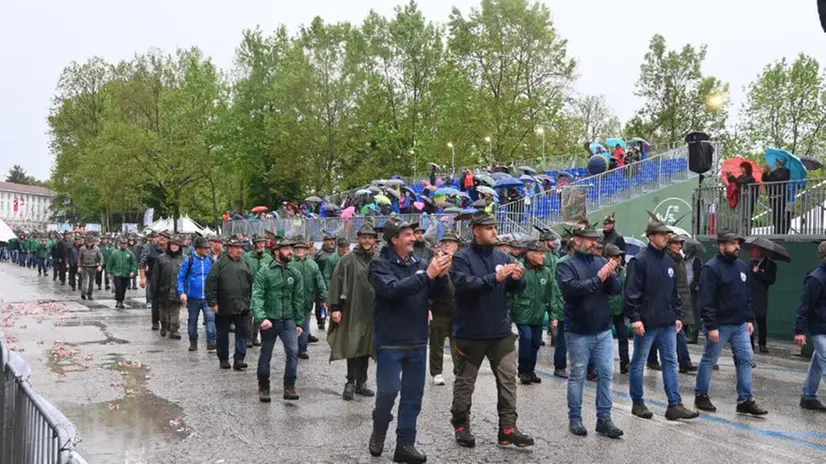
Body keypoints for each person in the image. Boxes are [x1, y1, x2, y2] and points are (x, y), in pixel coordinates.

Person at [368, 217, 451, 463]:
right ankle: (380, 427)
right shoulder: (379, 265)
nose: (413, 238)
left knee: (413, 395)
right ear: (394, 240)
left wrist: (443, 276)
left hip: (416, 339)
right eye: (407, 235)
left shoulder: (423, 263)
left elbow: (444, 297)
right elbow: (393, 291)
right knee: (388, 392)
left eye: (413, 234)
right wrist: (427, 275)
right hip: (390, 340)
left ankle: (405, 444)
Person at [449, 211, 534, 449]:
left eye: (495, 227)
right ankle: (461, 425)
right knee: (465, 383)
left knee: (508, 380)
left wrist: (518, 278)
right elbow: (465, 286)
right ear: (476, 230)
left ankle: (507, 429)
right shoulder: (462, 258)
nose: (495, 232)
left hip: (501, 331)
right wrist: (494, 278)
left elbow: (514, 289)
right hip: (470, 332)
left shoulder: (501, 255)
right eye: (489, 228)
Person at [624, 218, 699, 422]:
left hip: (667, 322)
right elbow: (631, 292)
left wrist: (677, 315)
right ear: (651, 236)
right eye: (662, 234)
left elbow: (673, 292)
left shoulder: (669, 261)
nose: (667, 237)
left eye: (667, 234)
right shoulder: (639, 261)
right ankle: (638, 402)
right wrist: (635, 318)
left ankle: (674, 404)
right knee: (639, 362)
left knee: (671, 362)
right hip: (646, 322)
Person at [556, 221, 623, 438]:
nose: (595, 243)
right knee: (578, 375)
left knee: (606, 373)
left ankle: (604, 419)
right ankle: (575, 418)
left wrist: (613, 274)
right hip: (578, 330)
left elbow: (615, 290)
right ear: (578, 240)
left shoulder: (600, 260)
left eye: (596, 239)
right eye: (590, 239)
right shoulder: (565, 264)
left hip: (602, 329)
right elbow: (572, 290)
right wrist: (600, 277)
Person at [694, 230, 768, 416]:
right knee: (710, 360)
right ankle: (701, 395)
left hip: (740, 324)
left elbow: (746, 294)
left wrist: (749, 318)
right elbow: (706, 300)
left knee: (746, 359)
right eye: (733, 243)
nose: (737, 247)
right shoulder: (711, 268)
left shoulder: (741, 266)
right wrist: (711, 326)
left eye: (738, 243)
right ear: (722, 246)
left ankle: (745, 399)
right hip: (720, 325)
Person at [327, 222, 378, 401]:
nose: (366, 240)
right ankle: (350, 381)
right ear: (359, 239)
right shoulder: (347, 260)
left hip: (371, 312)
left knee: (366, 347)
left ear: (374, 240)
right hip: (352, 309)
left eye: (370, 237)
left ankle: (361, 383)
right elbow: (336, 282)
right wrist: (335, 308)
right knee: (352, 345)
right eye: (364, 237)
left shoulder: (378, 259)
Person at [252, 238, 304, 402]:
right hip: (270, 320)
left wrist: (300, 321)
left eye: (291, 248)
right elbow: (257, 296)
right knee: (266, 354)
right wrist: (261, 318)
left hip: (288, 319)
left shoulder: (294, 273)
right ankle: (264, 387)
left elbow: (298, 298)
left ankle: (289, 386)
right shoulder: (265, 272)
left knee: (293, 352)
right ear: (276, 251)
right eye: (287, 248)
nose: (291, 252)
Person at [510, 241, 553, 385]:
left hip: (538, 313)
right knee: (526, 338)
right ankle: (523, 371)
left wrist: (552, 313)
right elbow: (513, 291)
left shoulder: (546, 272)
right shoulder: (520, 269)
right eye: (540, 253)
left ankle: (530, 370)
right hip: (523, 311)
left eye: (544, 253)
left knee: (535, 342)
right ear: (530, 254)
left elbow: (550, 293)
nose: (543, 257)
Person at [207, 237, 253, 371]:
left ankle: (239, 359)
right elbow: (211, 283)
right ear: (229, 249)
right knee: (222, 334)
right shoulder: (220, 264)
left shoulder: (246, 263)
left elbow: (252, 281)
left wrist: (251, 301)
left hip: (243, 305)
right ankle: (224, 358)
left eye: (241, 247)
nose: (239, 250)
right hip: (224, 305)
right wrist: (213, 302)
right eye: (236, 247)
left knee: (243, 333)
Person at [794, 241, 826, 411]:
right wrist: (799, 331)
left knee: (818, 362)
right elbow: (805, 306)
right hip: (819, 328)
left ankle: (808, 396)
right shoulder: (816, 279)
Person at [429, 228, 460, 386]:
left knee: (458, 343)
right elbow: (428, 284)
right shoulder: (435, 261)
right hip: (438, 307)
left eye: (451, 242)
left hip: (458, 308)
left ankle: (459, 371)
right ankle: (436, 372)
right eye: (445, 242)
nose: (447, 244)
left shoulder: (461, 262)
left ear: (457, 245)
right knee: (436, 342)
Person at [178, 236, 217, 352]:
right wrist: (182, 293)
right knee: (193, 319)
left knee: (210, 318)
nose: (207, 250)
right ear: (198, 249)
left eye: (208, 248)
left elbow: (215, 278)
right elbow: (180, 278)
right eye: (205, 248)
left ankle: (211, 341)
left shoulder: (210, 261)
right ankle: (193, 342)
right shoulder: (189, 261)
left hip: (207, 297)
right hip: (193, 298)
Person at [291, 236, 326, 359]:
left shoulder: (312, 264)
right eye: (297, 248)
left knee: (305, 326)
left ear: (307, 250)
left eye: (302, 248)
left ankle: (302, 349)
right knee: (292, 327)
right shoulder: (290, 264)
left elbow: (319, 280)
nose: (299, 250)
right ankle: (292, 349)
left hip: (307, 300)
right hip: (291, 301)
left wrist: (323, 296)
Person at [150, 235, 185, 339]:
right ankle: (164, 324)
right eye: (172, 245)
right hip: (163, 289)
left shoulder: (184, 259)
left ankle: (174, 329)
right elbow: (155, 275)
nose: (174, 247)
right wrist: (154, 290)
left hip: (177, 290)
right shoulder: (161, 258)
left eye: (176, 245)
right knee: (163, 312)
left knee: (175, 311)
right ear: (169, 245)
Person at [244, 233, 273, 347]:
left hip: (263, 290)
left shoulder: (268, 257)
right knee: (249, 314)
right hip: (249, 288)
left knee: (259, 313)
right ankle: (248, 337)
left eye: (263, 242)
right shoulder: (247, 257)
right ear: (254, 244)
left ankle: (255, 336)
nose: (261, 245)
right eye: (259, 242)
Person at [748, 241, 777, 354]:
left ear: (761, 251)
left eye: (755, 250)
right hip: (749, 294)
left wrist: (759, 272)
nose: (753, 252)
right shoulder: (749, 263)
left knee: (761, 320)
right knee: (749, 320)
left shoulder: (770, 265)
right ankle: (749, 343)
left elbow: (771, 280)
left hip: (760, 295)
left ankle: (762, 343)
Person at [605, 244, 630, 374]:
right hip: (608, 310)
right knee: (605, 340)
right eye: (615, 256)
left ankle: (625, 363)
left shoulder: (623, 271)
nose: (618, 258)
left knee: (623, 337)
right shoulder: (605, 271)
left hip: (621, 310)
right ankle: (603, 365)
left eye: (619, 256)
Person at [141, 232, 169, 330]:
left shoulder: (171, 249)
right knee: (155, 302)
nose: (162, 238)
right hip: (154, 278)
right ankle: (155, 322)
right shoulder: (150, 248)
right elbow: (142, 264)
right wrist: (142, 278)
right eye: (160, 236)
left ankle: (167, 322)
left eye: (164, 237)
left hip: (168, 278)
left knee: (168, 301)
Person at [313, 232, 338, 330]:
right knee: (320, 303)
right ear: (325, 242)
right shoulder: (319, 254)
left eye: (333, 240)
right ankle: (320, 321)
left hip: (334, 282)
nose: (331, 242)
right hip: (321, 281)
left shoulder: (337, 254)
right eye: (329, 240)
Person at [725, 162, 758, 234]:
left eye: (742, 167)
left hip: (749, 198)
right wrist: (729, 177)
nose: (741, 169)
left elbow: (740, 182)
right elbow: (734, 182)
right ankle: (741, 229)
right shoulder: (740, 176)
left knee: (747, 214)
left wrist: (732, 177)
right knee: (741, 214)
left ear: (746, 168)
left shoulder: (750, 178)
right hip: (741, 197)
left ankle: (747, 231)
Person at [762, 159, 791, 234]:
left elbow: (780, 178)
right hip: (772, 195)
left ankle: (781, 231)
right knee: (775, 214)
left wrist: (771, 173)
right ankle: (776, 230)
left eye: (778, 161)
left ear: (781, 163)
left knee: (780, 214)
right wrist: (765, 172)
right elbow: (766, 180)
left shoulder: (786, 170)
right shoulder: (773, 172)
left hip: (781, 195)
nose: (776, 163)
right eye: (776, 161)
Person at [107, 237, 138, 309]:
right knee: (118, 287)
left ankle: (121, 299)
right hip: (117, 273)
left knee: (123, 288)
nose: (123, 245)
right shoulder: (115, 253)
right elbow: (110, 262)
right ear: (119, 244)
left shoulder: (129, 253)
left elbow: (134, 263)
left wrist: (133, 271)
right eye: (122, 244)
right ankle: (119, 300)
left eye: (124, 244)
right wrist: (108, 271)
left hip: (126, 273)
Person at [78, 235, 104, 301]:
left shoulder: (97, 249)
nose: (89, 243)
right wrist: (79, 266)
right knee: (84, 281)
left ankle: (90, 294)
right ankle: (83, 293)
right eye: (88, 242)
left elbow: (101, 257)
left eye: (91, 242)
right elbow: (79, 258)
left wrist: (100, 265)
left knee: (91, 282)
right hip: (84, 266)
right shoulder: (82, 248)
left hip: (93, 267)